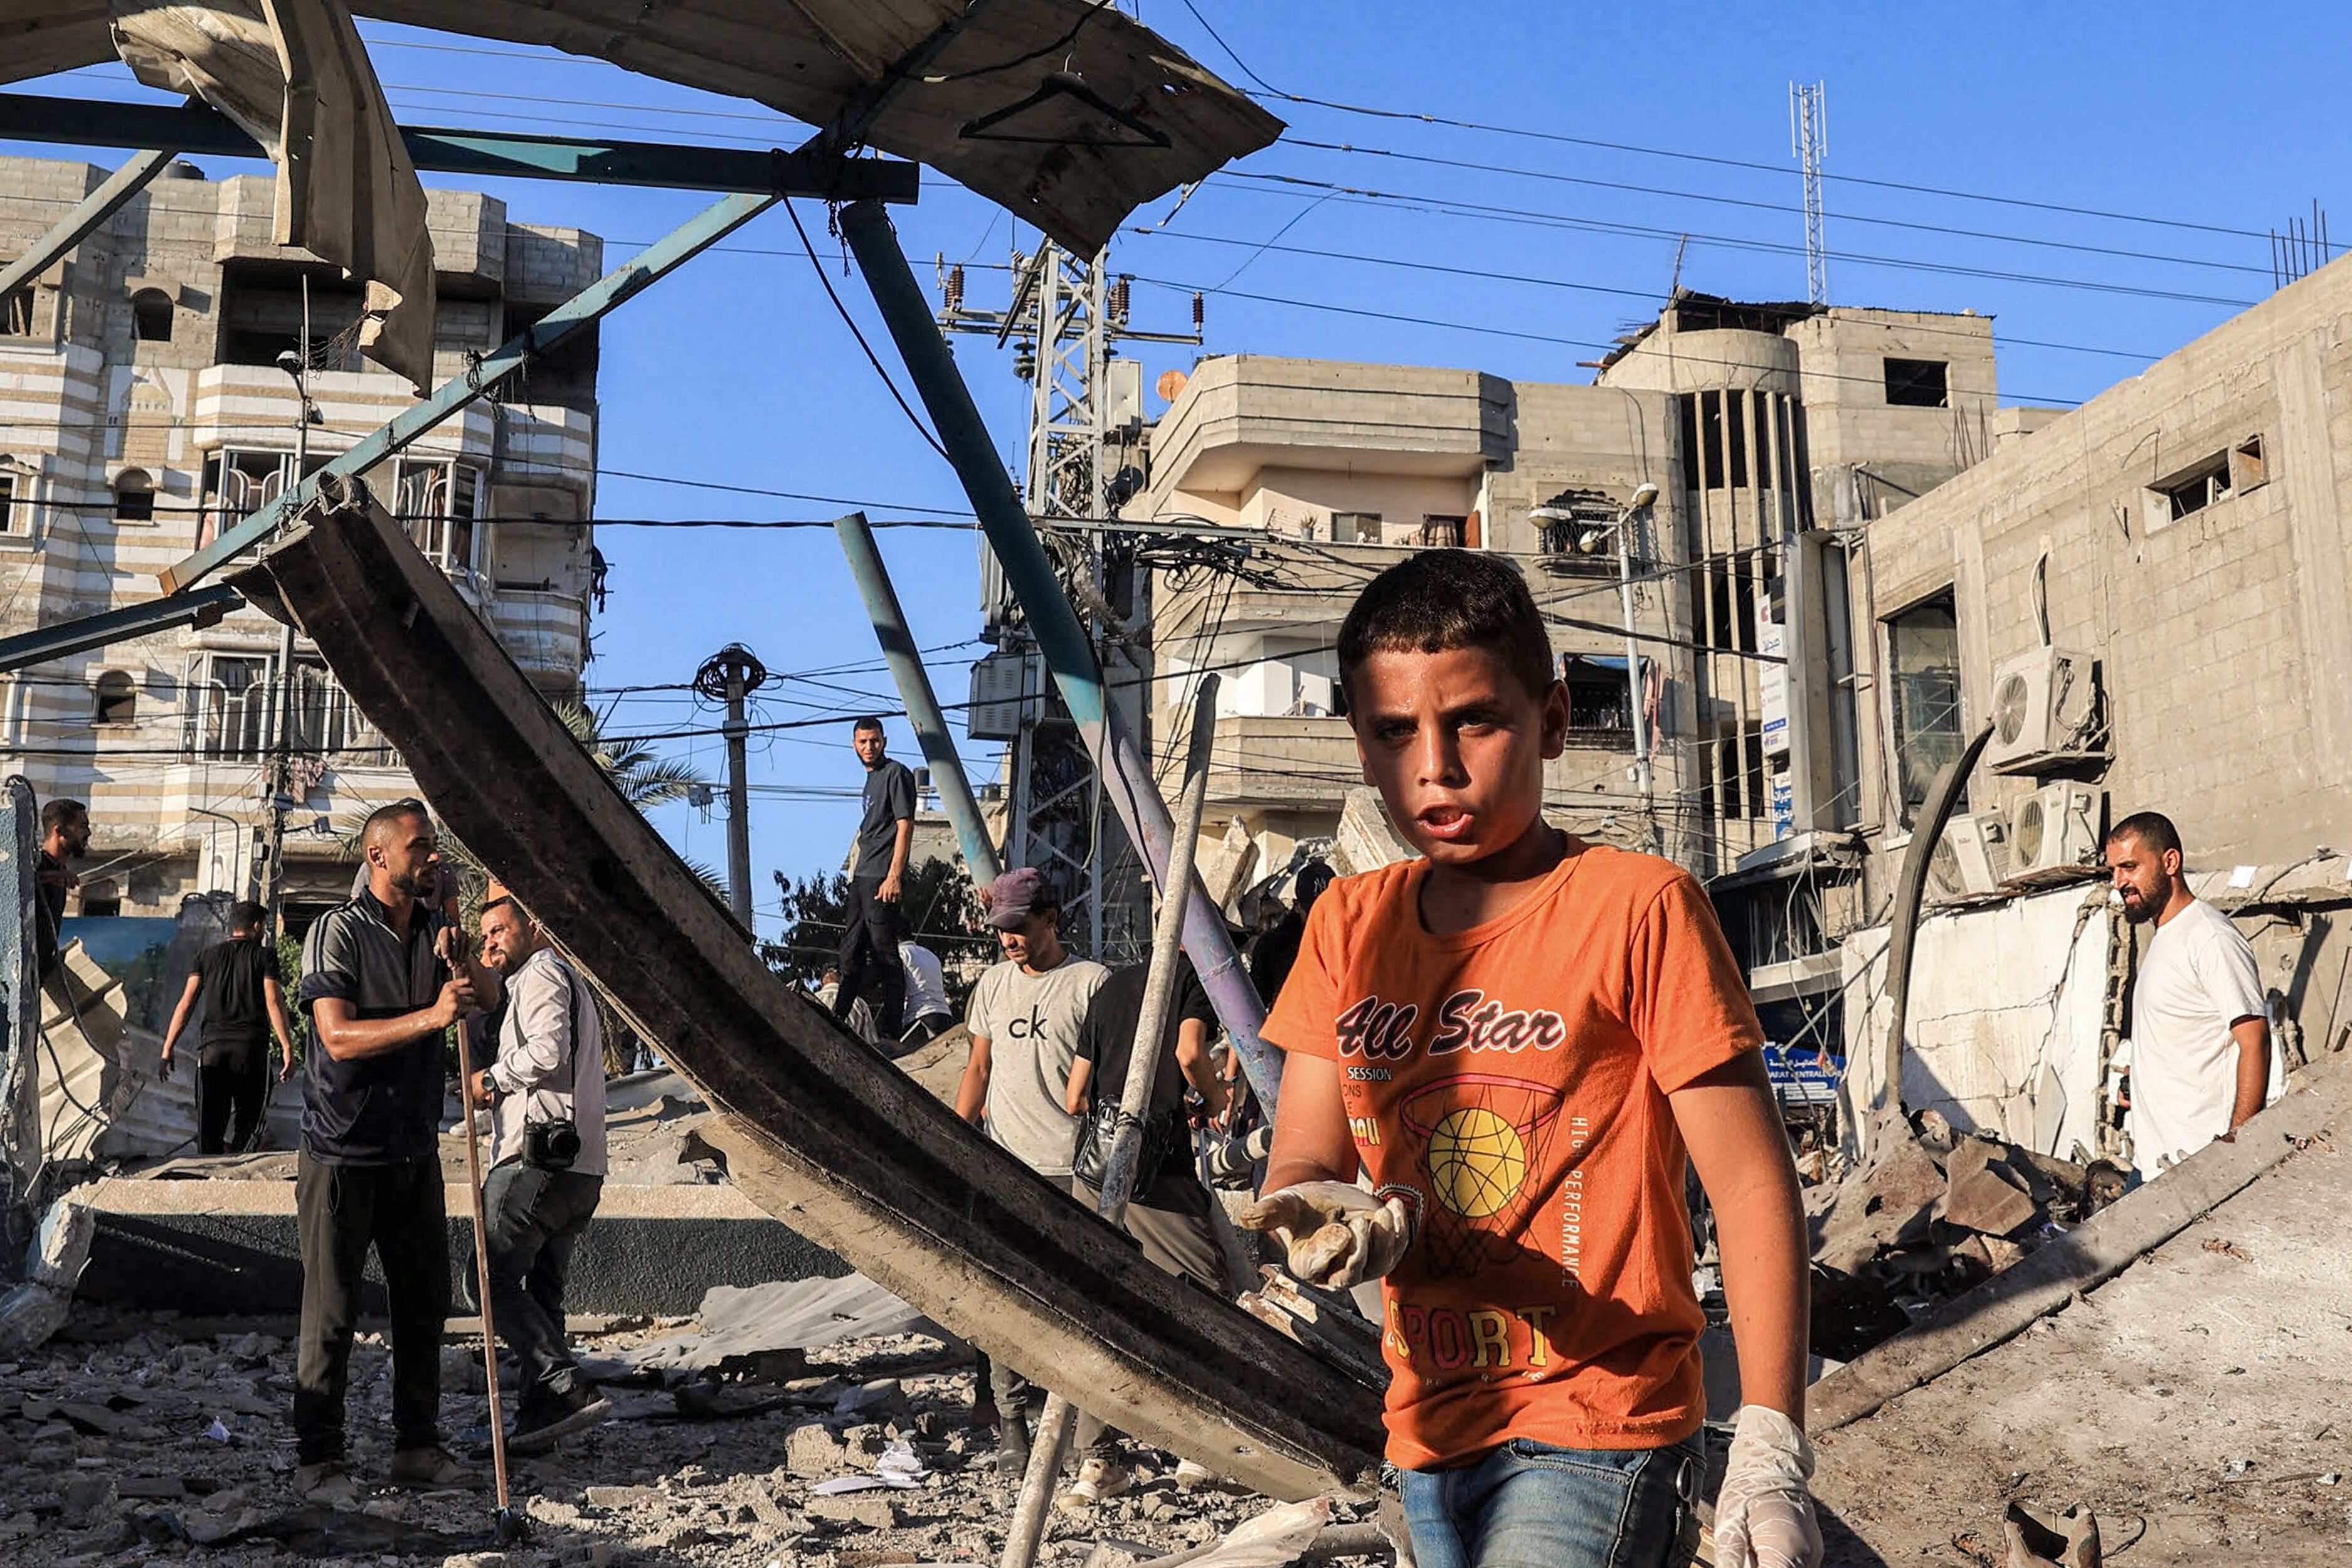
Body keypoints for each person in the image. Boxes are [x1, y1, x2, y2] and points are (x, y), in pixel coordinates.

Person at [1242, 551, 1818, 1568]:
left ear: (1551, 721)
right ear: (1363, 747)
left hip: (1599, 1421)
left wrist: (1770, 1444)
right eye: (1395, 733)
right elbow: (1304, 1157)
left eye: (1474, 720)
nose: (1436, 766)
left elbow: (1752, 1183)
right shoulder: (1346, 925)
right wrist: (1322, 1221)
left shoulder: (1638, 908)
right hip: (1427, 1433)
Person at [292, 801, 502, 1505]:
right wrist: (434, 1017)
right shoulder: (336, 932)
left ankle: (417, 1445)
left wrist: (464, 960)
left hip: (413, 1148)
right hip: (344, 1150)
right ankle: (320, 1461)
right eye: (419, 847)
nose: (432, 857)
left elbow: (490, 997)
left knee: (424, 1305)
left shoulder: (438, 933)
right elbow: (338, 1038)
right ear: (378, 856)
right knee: (333, 1311)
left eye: (434, 846)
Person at [1057, 954, 1231, 1509]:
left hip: (1096, 1171)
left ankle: (1098, 1461)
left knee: (1102, 1307)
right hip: (1156, 1172)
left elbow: (1074, 1095)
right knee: (1204, 1294)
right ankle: (1198, 1446)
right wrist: (1216, 1100)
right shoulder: (1190, 978)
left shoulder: (1110, 986)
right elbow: (1189, 1053)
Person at [954, 866, 1108, 1473]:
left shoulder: (1091, 984)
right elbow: (978, 1070)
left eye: (1020, 927)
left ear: (1050, 919)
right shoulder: (993, 985)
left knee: (1071, 1306)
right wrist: (955, 1141)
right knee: (1003, 1305)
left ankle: (1071, 1427)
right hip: (1005, 1167)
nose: (1010, 940)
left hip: (1071, 1172)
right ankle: (1011, 1423)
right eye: (1001, 930)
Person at [465, 896, 614, 1453]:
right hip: (580, 1168)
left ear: (536, 926)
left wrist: (491, 1080)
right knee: (544, 1294)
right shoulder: (564, 982)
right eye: (485, 937)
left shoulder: (541, 973)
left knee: (486, 1279)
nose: (491, 945)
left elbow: (547, 1053)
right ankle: (541, 1418)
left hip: (539, 1161)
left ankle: (563, 1383)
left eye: (500, 930)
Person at [2103, 811, 2278, 1177]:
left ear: (2170, 862)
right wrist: (2138, 1080)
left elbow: (2255, 1041)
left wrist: (2237, 1147)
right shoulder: (2166, 937)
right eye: (2114, 870)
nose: (2120, 882)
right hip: (2153, 1163)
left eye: (2130, 867)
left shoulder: (2210, 937)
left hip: (2197, 1167)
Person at [160, 899, 297, 1153]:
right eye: (264, 927)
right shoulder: (265, 956)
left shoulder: (206, 956)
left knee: (210, 1126)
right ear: (256, 926)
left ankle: (210, 1178)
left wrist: (168, 1048)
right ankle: (236, 1170)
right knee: (250, 1123)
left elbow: (186, 1004)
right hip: (251, 1051)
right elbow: (274, 1002)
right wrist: (287, 1046)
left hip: (213, 1050)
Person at [836, 717, 915, 1041]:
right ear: (854, 744)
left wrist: (894, 875)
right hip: (862, 874)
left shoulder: (896, 774)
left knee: (885, 954)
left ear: (884, 741)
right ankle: (837, 1017)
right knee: (850, 950)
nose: (869, 747)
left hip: (881, 874)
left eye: (874, 741)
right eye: (863, 742)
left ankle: (891, 1031)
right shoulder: (871, 780)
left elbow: (905, 824)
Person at [1248, 859, 1333, 1007]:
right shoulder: (1273, 947)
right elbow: (1256, 1003)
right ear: (1297, 906)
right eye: (1314, 912)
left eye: (1329, 911)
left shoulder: (1351, 943)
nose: (1322, 919)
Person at [35, 797, 90, 980]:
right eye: (82, 826)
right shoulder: (33, 864)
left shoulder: (61, 871)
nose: (88, 833)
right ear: (59, 831)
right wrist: (48, 877)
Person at [899, 937, 955, 1046]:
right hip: (944, 1015)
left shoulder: (901, 953)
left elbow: (898, 988)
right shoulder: (930, 954)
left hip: (920, 1018)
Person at [816, 967, 877, 1044]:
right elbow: (871, 1042)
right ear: (842, 980)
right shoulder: (859, 1003)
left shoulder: (813, 998)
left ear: (822, 982)